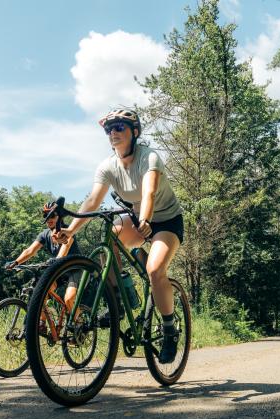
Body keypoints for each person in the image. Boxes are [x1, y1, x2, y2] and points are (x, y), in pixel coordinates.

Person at [54, 108, 184, 364]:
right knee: (109, 240)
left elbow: (148, 192)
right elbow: (92, 201)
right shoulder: (107, 166)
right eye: (109, 129)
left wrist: (146, 219)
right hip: (136, 220)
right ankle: (119, 300)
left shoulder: (149, 157)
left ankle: (169, 330)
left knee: (156, 271)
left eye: (119, 128)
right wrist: (70, 230)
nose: (113, 133)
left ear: (134, 132)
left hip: (166, 220)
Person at [6, 202, 81, 313]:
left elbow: (64, 249)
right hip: (60, 270)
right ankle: (42, 325)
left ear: (59, 217)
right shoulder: (44, 235)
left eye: (52, 215)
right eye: (45, 215)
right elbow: (30, 251)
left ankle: (79, 324)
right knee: (41, 295)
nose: (49, 219)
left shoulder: (67, 231)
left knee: (69, 299)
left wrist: (57, 259)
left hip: (75, 269)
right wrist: (16, 262)